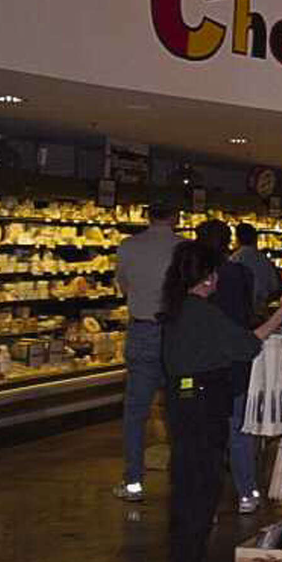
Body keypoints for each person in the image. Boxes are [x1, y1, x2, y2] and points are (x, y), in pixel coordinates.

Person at [160, 241, 282, 562]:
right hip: (202, 403)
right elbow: (246, 344)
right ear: (207, 277)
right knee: (203, 483)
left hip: (182, 400)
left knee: (187, 480)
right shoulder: (202, 313)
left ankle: (184, 559)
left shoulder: (178, 308)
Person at [113, 201, 183, 502]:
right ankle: (182, 480)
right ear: (176, 217)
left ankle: (133, 482)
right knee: (180, 410)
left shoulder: (128, 246)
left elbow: (124, 286)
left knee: (135, 413)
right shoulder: (184, 248)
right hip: (176, 334)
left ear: (146, 216)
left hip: (142, 330)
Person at [196, 220, 262, 514]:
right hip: (235, 360)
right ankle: (246, 493)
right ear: (228, 243)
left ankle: (204, 499)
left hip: (201, 362)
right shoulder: (240, 273)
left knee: (202, 431)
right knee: (239, 429)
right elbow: (248, 313)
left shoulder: (190, 275)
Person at [231, 222, 282, 313]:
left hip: (240, 308)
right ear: (255, 238)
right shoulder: (263, 259)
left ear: (237, 238)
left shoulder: (234, 259)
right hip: (261, 307)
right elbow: (274, 286)